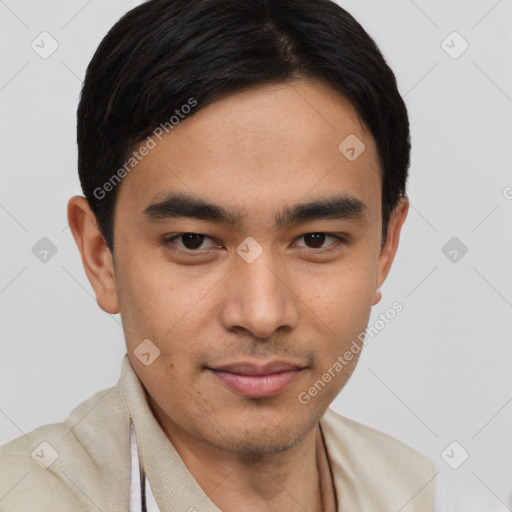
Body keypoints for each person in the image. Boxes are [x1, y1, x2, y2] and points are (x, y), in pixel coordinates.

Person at [0, 0, 451, 510]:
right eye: (193, 241)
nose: (261, 315)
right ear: (101, 255)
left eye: (316, 240)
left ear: (385, 248)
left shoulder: (409, 487)